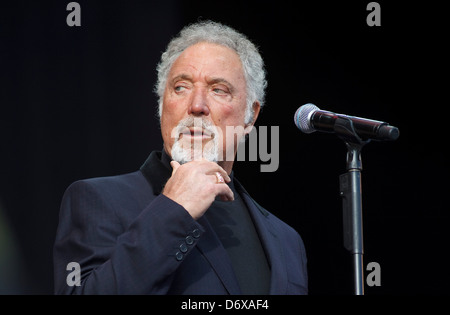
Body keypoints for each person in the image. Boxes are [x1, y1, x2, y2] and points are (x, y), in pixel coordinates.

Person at [53, 20, 308, 295]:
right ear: (162, 105)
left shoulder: (286, 240)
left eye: (218, 89)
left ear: (251, 116)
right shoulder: (98, 201)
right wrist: (173, 210)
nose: (197, 106)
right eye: (181, 87)